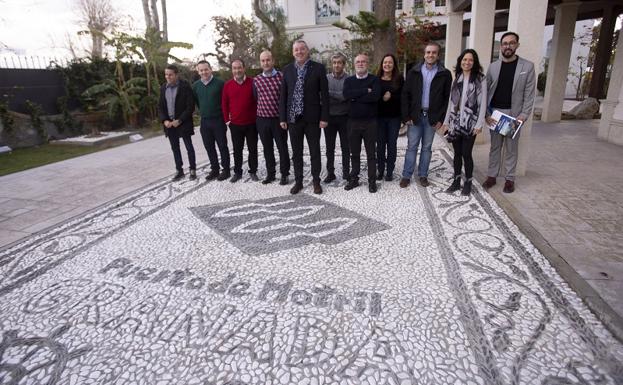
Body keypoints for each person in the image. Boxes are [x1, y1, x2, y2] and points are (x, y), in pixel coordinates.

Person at [482, 32, 536, 194]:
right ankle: (492, 176)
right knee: (495, 147)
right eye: (505, 43)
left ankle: (509, 179)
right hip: (496, 114)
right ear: (501, 46)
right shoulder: (493, 66)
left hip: (514, 115)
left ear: (517, 45)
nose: (508, 46)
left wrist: (524, 115)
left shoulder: (527, 67)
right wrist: (486, 114)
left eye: (511, 43)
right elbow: (485, 91)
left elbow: (530, 93)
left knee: (511, 149)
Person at [279, 40, 330, 195]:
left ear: (307, 51)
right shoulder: (287, 70)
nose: (299, 52)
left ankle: (316, 181)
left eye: (302, 49)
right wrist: (283, 117)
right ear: (293, 52)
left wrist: (324, 117)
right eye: (296, 50)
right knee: (296, 152)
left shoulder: (318, 68)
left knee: (315, 151)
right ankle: (299, 181)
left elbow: (325, 96)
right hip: (294, 118)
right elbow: (283, 96)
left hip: (312, 118)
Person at [400, 42, 452, 188]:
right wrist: (406, 117)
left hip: (432, 117)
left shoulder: (445, 74)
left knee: (427, 148)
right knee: (412, 147)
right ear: (424, 54)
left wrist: (441, 119)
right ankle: (406, 175)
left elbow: (446, 98)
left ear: (438, 55)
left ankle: (423, 175)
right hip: (415, 116)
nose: (430, 55)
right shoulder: (414, 71)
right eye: (428, 52)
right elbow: (405, 95)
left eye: (434, 52)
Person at [441, 49, 487, 196]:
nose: (467, 62)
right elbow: (451, 102)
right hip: (455, 122)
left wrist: (479, 124)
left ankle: (468, 182)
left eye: (470, 60)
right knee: (457, 153)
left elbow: (483, 103)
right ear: (460, 61)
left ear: (474, 63)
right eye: (464, 60)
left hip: (470, 123)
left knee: (467, 153)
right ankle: (456, 181)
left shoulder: (481, 79)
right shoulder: (458, 77)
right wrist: (447, 122)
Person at [343, 53, 381, 193]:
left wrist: (356, 97)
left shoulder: (374, 80)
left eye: (363, 61)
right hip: (353, 122)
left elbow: (375, 97)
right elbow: (347, 95)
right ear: (354, 65)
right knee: (355, 153)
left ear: (368, 64)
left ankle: (372, 181)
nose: (360, 64)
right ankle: (354, 179)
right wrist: (365, 91)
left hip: (370, 122)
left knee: (371, 154)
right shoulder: (349, 81)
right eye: (358, 62)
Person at [254, 51, 290, 185]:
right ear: (260, 63)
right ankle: (271, 174)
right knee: (267, 148)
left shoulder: (282, 77)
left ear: (273, 61)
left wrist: (284, 118)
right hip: (262, 120)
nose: (265, 63)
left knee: (282, 147)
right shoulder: (256, 80)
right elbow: (256, 98)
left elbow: (286, 99)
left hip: (278, 120)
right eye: (263, 61)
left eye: (268, 60)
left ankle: (284, 174)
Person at [192, 60, 230, 181]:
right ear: (198, 71)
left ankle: (226, 170)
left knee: (222, 146)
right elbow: (197, 102)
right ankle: (215, 169)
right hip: (205, 121)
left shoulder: (220, 84)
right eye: (201, 70)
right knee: (209, 146)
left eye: (206, 69)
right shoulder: (196, 86)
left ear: (210, 69)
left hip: (218, 119)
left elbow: (226, 101)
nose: (204, 72)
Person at [222, 59, 258, 183]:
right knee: (237, 150)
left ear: (244, 68)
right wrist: (227, 120)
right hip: (235, 125)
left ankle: (253, 171)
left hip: (252, 124)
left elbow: (258, 101)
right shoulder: (227, 85)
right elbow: (224, 104)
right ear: (232, 70)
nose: (237, 70)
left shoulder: (253, 82)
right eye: (234, 68)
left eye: (239, 68)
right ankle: (238, 172)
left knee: (253, 149)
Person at [158, 64, 196, 181]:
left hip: (183, 123)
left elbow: (190, 107)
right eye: (166, 75)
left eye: (170, 74)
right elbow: (160, 107)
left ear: (176, 75)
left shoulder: (185, 87)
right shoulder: (163, 88)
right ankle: (179, 170)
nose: (168, 77)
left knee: (189, 147)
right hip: (169, 125)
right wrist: (164, 120)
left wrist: (179, 120)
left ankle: (192, 169)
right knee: (175, 148)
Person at [376, 53, 404, 181]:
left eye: (390, 62)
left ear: (394, 65)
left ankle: (389, 172)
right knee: (380, 145)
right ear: (382, 64)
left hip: (394, 118)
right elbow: (374, 97)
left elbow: (403, 98)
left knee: (392, 145)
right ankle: (380, 170)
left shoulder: (399, 79)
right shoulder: (376, 79)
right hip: (379, 118)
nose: (387, 64)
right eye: (385, 62)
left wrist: (391, 96)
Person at [324, 52, 350, 183]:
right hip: (329, 118)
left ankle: (346, 173)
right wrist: (339, 96)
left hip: (345, 117)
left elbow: (346, 96)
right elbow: (323, 98)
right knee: (330, 147)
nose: (337, 65)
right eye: (334, 63)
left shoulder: (349, 79)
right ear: (331, 64)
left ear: (343, 64)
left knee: (346, 147)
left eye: (339, 62)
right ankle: (330, 173)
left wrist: (331, 94)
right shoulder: (326, 78)